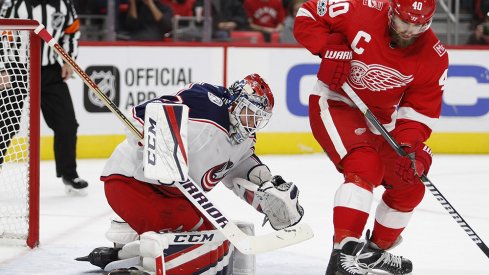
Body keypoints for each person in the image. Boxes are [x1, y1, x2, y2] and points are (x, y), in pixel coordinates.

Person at [79, 74, 305, 274]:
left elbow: (241, 169)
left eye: (258, 118)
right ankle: (140, 268)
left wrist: (266, 189)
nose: (252, 122)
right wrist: (150, 133)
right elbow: (146, 111)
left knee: (215, 243)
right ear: (236, 102)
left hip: (177, 196)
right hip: (132, 182)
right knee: (194, 248)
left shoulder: (245, 140)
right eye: (250, 113)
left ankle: (121, 255)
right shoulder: (207, 101)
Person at [293, 0, 449, 274]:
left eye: (419, 24)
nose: (410, 30)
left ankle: (372, 253)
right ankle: (344, 254)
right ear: (392, 11)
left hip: (381, 121)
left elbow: (420, 110)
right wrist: (326, 45)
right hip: (336, 101)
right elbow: (307, 14)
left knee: (409, 185)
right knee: (365, 165)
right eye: (405, 22)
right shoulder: (362, 9)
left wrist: (410, 147)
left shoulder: (434, 55)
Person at [1, 0, 89, 195]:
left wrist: (68, 60)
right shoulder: (13, 3)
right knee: (6, 124)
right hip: (15, 69)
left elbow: (71, 31)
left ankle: (69, 174)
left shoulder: (63, 4)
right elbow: (2, 32)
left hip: (49, 71)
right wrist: (2, 67)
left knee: (66, 124)